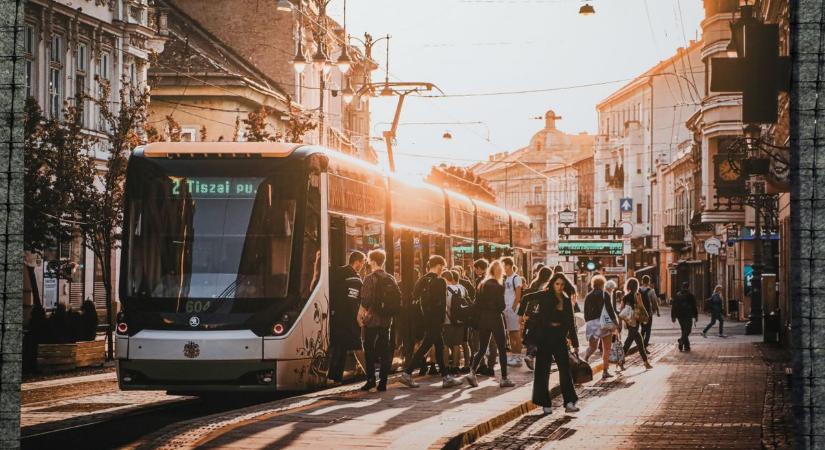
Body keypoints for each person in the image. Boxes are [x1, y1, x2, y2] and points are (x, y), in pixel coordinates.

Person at [399, 255, 463, 389]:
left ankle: (446, 377)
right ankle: (407, 373)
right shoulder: (440, 282)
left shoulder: (421, 280)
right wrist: (442, 321)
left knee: (439, 347)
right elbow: (441, 304)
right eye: (443, 267)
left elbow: (415, 298)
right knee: (425, 346)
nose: (443, 270)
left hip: (424, 320)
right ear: (439, 266)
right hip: (436, 320)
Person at [521, 272, 581, 414]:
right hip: (544, 337)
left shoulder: (566, 300)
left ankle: (569, 402)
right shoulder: (544, 295)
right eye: (557, 284)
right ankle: (545, 404)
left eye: (562, 284)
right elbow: (525, 298)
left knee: (565, 370)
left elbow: (571, 323)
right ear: (552, 284)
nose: (559, 287)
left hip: (559, 338)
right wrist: (520, 314)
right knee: (542, 371)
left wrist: (576, 343)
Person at [464, 260, 515, 388]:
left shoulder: (482, 284)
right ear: (499, 272)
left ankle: (472, 372)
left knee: (482, 348)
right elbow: (501, 306)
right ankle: (504, 378)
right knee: (501, 348)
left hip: (483, 319)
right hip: (495, 319)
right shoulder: (499, 286)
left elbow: (477, 304)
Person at [358, 249, 400, 392]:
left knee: (369, 350)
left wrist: (360, 315)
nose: (368, 262)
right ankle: (383, 382)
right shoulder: (391, 278)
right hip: (387, 320)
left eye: (369, 260)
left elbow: (365, 300)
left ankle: (370, 380)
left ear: (374, 262)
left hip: (372, 320)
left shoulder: (370, 278)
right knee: (384, 351)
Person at [328, 251, 366, 383]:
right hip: (348, 319)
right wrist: (358, 318)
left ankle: (334, 377)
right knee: (357, 346)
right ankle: (370, 375)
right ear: (357, 262)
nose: (362, 266)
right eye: (362, 263)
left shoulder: (336, 273)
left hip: (335, 317)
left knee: (340, 347)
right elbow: (352, 300)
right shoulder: (354, 278)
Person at [582, 275, 618, 379]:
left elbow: (585, 312)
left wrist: (589, 322)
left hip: (592, 324)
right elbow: (610, 309)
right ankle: (605, 371)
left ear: (593, 284)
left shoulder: (588, 296)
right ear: (603, 284)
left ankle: (585, 360)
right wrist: (615, 322)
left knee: (592, 347)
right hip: (604, 324)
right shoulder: (604, 294)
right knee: (606, 348)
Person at [520, 266, 553, 370]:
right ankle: (531, 356)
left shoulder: (534, 283)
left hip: (531, 314)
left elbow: (528, 299)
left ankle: (530, 357)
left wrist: (525, 313)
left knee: (531, 336)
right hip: (542, 315)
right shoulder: (547, 285)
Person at [621, 277, 653, 369]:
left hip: (628, 321)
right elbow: (641, 307)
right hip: (635, 321)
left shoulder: (625, 297)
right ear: (636, 286)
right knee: (628, 342)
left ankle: (646, 363)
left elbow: (621, 310)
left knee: (640, 342)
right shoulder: (638, 295)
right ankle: (620, 361)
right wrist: (646, 318)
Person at [472, 258, 497, 376]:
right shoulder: (495, 279)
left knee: (479, 341)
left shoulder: (480, 281)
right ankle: (491, 366)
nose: (475, 271)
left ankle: (482, 365)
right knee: (492, 342)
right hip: (494, 314)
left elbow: (478, 299)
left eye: (475, 268)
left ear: (479, 268)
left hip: (482, 315)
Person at [443, 270, 469, 375]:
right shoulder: (461, 289)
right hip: (459, 321)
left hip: (447, 321)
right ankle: (455, 366)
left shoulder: (445, 290)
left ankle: (446, 366)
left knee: (445, 345)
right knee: (457, 344)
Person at [502, 257, 524, 367]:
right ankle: (514, 355)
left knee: (516, 333)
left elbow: (518, 294)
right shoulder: (506, 278)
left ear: (509, 265)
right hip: (507, 309)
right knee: (510, 333)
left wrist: (514, 307)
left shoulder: (516, 278)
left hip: (513, 309)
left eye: (504, 265)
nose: (503, 267)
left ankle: (518, 357)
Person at [672, 281, 699, 351]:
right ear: (688, 287)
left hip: (679, 315)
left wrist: (673, 316)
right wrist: (696, 316)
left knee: (684, 330)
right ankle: (681, 340)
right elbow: (694, 306)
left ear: (682, 287)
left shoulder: (677, 295)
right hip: (688, 315)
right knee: (688, 330)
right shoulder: (690, 295)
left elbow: (674, 306)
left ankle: (686, 346)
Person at [639, 275, 661, 348]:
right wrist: (657, 311)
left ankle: (641, 345)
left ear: (642, 281)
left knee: (642, 329)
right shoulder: (651, 291)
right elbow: (654, 302)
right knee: (648, 329)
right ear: (648, 281)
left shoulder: (638, 290)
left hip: (641, 313)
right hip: (648, 313)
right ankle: (645, 345)